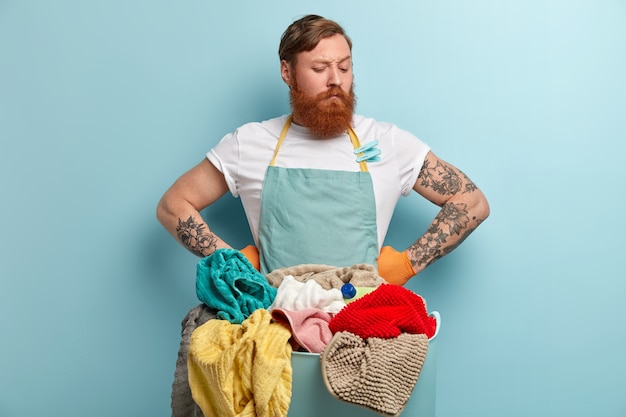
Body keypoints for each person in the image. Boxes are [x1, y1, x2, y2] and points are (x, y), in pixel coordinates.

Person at [157, 14, 489, 286]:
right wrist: (233, 264)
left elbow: (471, 202)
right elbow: (173, 206)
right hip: (277, 322)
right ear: (287, 72)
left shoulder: (386, 141)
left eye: (344, 68)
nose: (336, 80)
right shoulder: (250, 143)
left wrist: (406, 263)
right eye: (319, 69)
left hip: (363, 321)